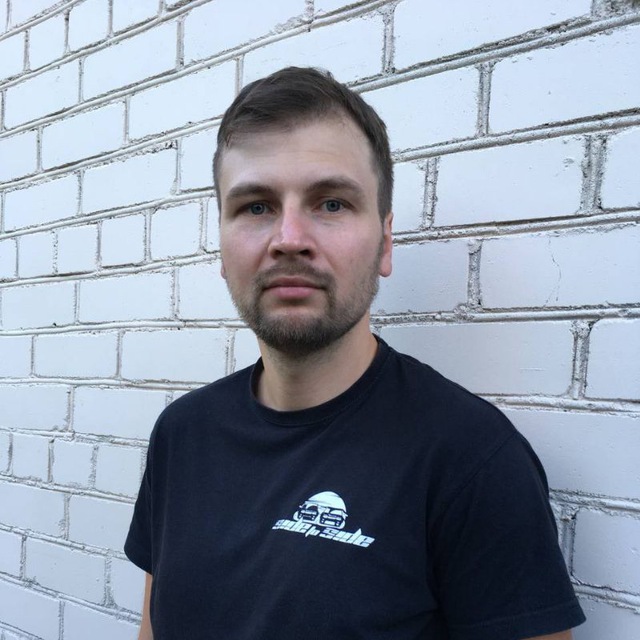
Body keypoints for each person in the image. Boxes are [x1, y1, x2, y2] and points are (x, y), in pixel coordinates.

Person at [125, 66, 586, 640]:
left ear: (385, 242)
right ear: (221, 245)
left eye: (332, 203)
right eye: (257, 207)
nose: (289, 239)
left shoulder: (471, 459)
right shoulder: (181, 435)